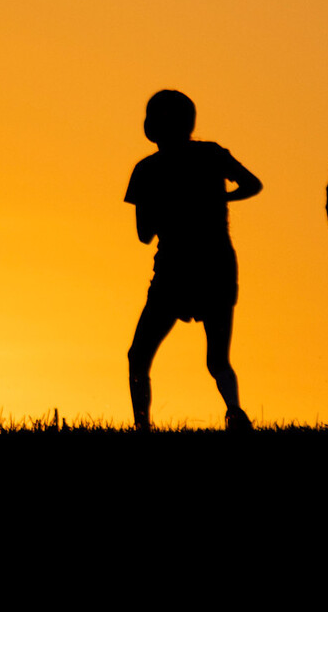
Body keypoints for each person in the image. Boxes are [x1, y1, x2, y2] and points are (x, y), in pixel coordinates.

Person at [124, 89, 261, 432]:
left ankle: (142, 426)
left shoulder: (146, 170)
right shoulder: (211, 154)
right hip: (217, 265)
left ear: (150, 126)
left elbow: (144, 234)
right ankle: (234, 411)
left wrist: (164, 207)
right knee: (218, 359)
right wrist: (221, 198)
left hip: (173, 270)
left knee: (139, 355)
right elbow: (253, 184)